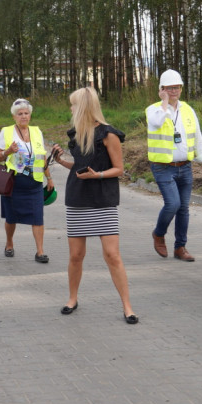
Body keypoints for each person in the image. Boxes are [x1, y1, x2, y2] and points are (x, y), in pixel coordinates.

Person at [50, 87, 137, 324]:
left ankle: (127, 306)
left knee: (112, 255)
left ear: (84, 106)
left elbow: (119, 169)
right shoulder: (76, 134)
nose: (71, 108)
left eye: (73, 104)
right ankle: (72, 299)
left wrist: (97, 175)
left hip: (103, 198)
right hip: (78, 198)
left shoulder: (109, 134)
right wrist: (61, 161)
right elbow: (80, 167)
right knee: (76, 255)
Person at [146, 69, 202, 261]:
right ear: (161, 89)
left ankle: (180, 247)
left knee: (183, 207)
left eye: (177, 87)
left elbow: (197, 136)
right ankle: (159, 234)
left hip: (185, 166)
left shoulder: (188, 110)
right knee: (172, 204)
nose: (174, 91)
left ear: (181, 88)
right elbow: (157, 123)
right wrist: (165, 102)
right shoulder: (154, 109)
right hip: (163, 166)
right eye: (169, 88)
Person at [0, 97, 54, 263]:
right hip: (12, 182)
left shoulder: (36, 132)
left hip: (34, 182)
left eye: (26, 113)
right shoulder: (6, 132)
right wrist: (8, 152)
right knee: (11, 217)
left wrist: (49, 177)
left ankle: (40, 252)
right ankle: (9, 243)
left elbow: (42, 156)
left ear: (30, 115)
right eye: (20, 114)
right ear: (14, 116)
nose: (23, 116)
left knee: (38, 216)